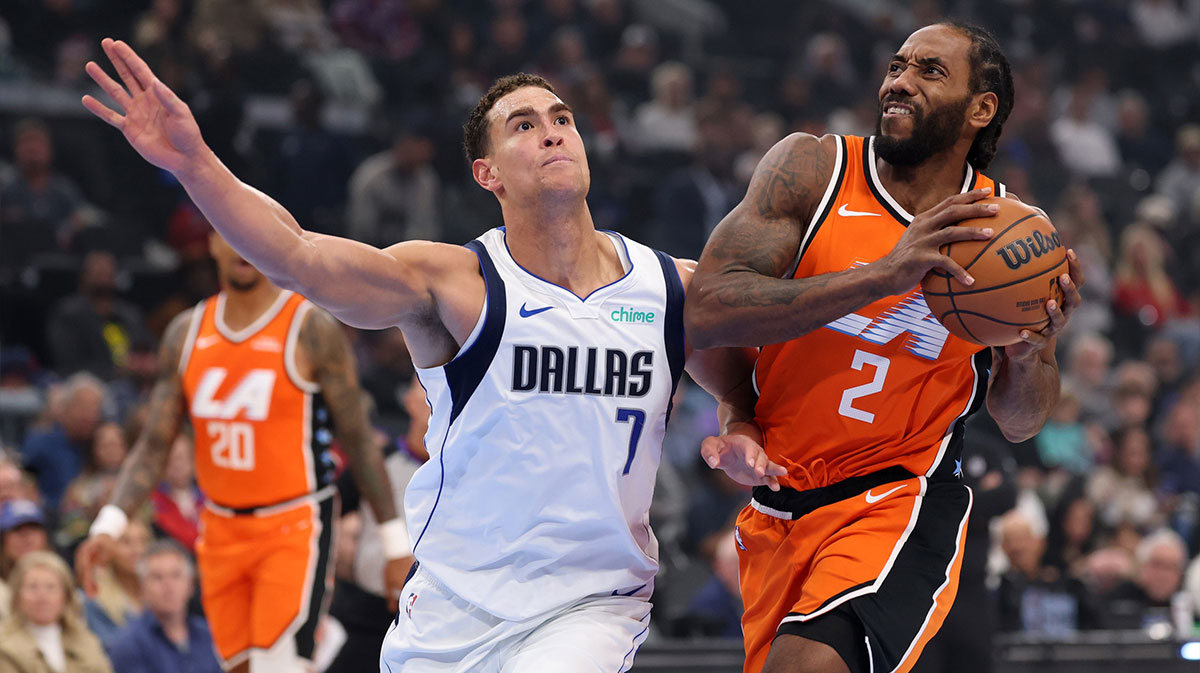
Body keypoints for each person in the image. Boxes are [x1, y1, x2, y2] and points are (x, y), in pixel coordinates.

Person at [79, 38, 767, 673]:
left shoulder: (666, 285)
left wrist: (738, 427)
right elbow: (298, 257)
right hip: (451, 607)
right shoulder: (455, 284)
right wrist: (195, 164)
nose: (551, 128)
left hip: (591, 602)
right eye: (523, 124)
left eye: (561, 117)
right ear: (486, 172)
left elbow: (739, 380)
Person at [684, 22, 1083, 673]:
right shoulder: (813, 169)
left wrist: (1034, 351)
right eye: (897, 66)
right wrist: (881, 275)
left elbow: (1019, 420)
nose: (898, 81)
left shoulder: (1006, 235)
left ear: (980, 108)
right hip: (780, 504)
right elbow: (705, 308)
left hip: (899, 501)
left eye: (929, 71)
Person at [73, 228, 410, 673]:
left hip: (294, 524)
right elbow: (155, 444)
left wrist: (394, 544)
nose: (243, 243)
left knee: (280, 666)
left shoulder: (309, 328)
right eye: (228, 230)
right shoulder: (185, 333)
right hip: (220, 528)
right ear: (211, 242)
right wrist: (109, 524)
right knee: (238, 666)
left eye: (249, 228)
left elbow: (360, 441)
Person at [104, 540, 222, 673]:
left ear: (190, 584)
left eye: (176, 575)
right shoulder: (128, 644)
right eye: (157, 577)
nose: (168, 585)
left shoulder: (209, 634)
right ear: (142, 585)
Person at [0, 551, 112, 673]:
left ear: (66, 596)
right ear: (17, 596)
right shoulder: (4, 647)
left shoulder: (86, 640)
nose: (42, 597)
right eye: (32, 587)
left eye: (51, 587)